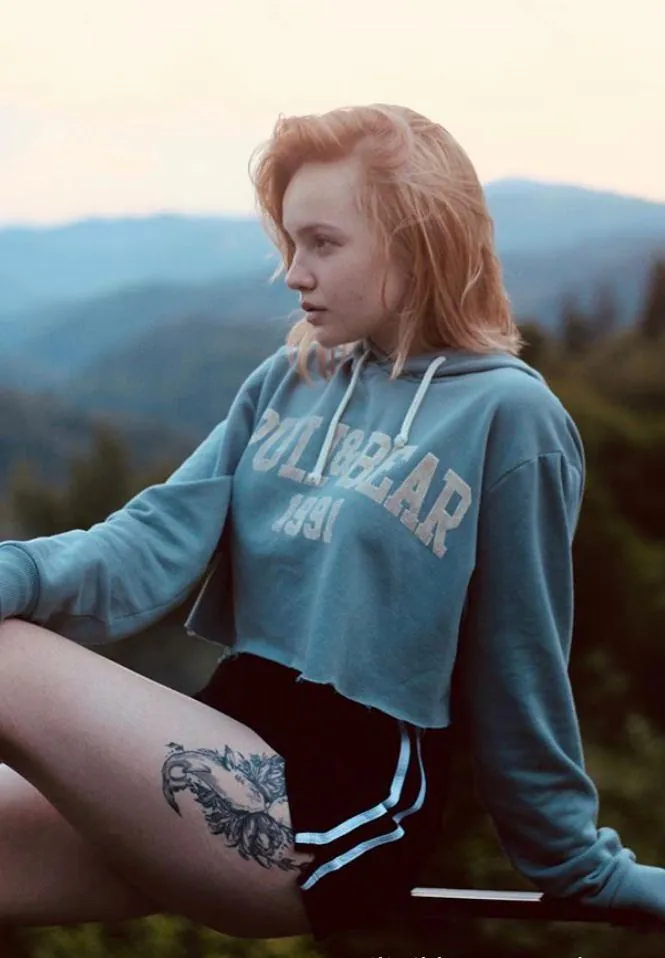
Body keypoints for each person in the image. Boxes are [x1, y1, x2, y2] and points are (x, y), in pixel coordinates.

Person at [0, 103, 663, 950]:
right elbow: (148, 543)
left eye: (322, 243)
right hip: (221, 741)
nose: (292, 273)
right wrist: (15, 571)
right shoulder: (289, 381)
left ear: (417, 241)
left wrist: (575, 863)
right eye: (290, 242)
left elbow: (521, 659)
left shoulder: (509, 417)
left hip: (340, 809)